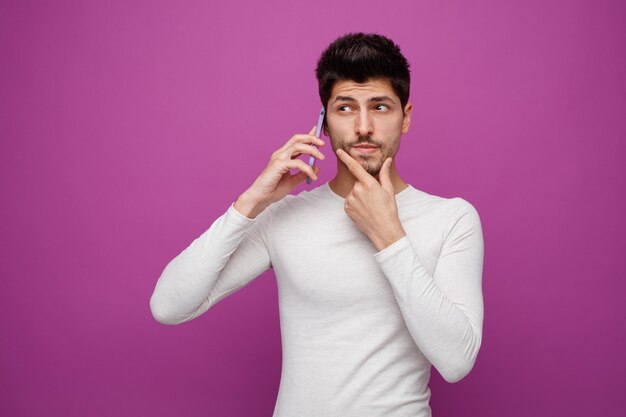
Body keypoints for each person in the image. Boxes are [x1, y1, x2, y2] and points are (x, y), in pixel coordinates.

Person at [150, 32, 484, 417]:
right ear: (323, 122)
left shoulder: (452, 219)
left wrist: (389, 236)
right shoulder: (286, 216)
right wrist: (250, 203)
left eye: (379, 107)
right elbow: (168, 306)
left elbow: (457, 361)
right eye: (345, 108)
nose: (363, 127)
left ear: (405, 117)